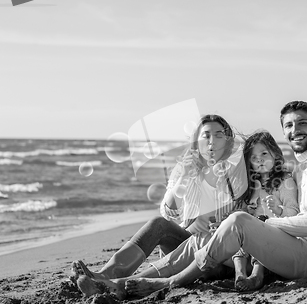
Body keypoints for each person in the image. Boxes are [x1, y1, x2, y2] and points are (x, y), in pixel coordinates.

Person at [77, 101, 307, 299]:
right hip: (283, 246)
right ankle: (115, 281)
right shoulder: (303, 165)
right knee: (180, 229)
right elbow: (171, 209)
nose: (295, 129)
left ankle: (162, 282)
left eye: (302, 123)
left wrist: (265, 221)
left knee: (235, 222)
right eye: (289, 124)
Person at [71, 114, 247, 294]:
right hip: (188, 244)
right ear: (196, 141)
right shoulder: (185, 168)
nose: (212, 141)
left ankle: (116, 286)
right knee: (158, 224)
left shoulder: (236, 170)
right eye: (206, 135)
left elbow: (248, 213)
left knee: (203, 241)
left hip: (223, 251)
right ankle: (105, 275)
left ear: (227, 140)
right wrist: (185, 177)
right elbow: (169, 213)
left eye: (219, 135)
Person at [232, 131, 299, 291]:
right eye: (254, 158)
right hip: (250, 238)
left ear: (275, 155)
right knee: (239, 229)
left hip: (275, 235)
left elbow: (295, 213)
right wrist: (247, 209)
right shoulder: (250, 186)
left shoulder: (285, 182)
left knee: (259, 224)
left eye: (264, 153)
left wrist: (279, 209)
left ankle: (257, 274)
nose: (259, 159)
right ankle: (239, 274)